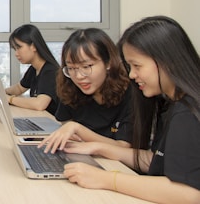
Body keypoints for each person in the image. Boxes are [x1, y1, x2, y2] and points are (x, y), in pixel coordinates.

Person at [60, 16, 200, 203]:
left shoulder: (186, 113)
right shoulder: (170, 104)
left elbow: (189, 193)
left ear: (166, 61)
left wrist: (107, 179)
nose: (132, 75)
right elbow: (155, 161)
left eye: (137, 66)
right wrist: (100, 147)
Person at [40, 28, 133, 153]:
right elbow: (65, 124)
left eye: (86, 66)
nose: (78, 76)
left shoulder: (131, 93)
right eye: (71, 68)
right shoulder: (70, 87)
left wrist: (78, 129)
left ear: (108, 62)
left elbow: (123, 147)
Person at [4, 24, 60, 115]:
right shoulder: (34, 68)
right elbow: (19, 88)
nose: (16, 54)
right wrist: (0, 92)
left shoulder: (50, 71)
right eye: (15, 49)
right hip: (42, 118)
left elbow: (40, 104)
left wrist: (10, 99)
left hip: (54, 123)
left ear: (33, 46)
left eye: (19, 48)